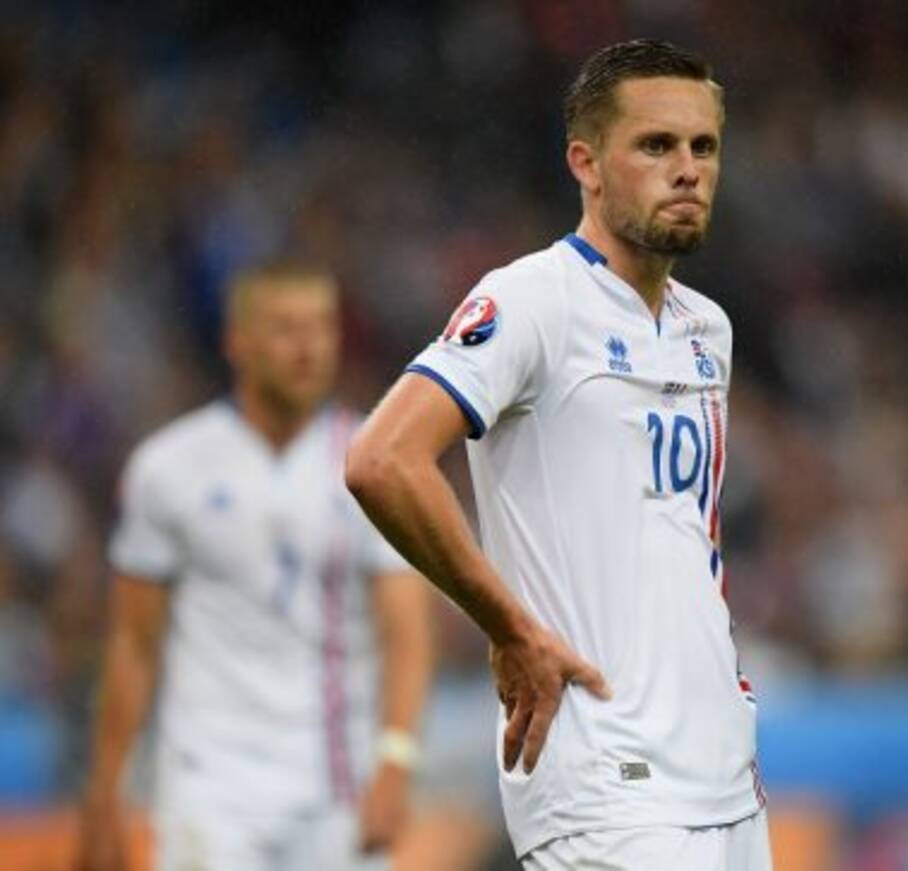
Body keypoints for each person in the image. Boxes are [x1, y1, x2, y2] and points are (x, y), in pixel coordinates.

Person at [346, 39, 771, 869]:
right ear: (587, 163)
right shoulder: (533, 299)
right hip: (607, 776)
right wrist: (508, 626)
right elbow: (382, 459)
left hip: (725, 773)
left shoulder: (705, 328)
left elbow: (685, 541)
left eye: (703, 146)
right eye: (656, 145)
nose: (687, 169)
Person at [77, 262, 433, 871]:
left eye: (321, 327)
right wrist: (104, 791)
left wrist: (397, 761)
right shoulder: (168, 468)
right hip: (208, 786)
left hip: (337, 786)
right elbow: (133, 643)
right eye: (286, 329)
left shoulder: (373, 464)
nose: (307, 348)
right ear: (236, 341)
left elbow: (407, 632)